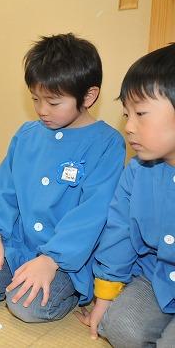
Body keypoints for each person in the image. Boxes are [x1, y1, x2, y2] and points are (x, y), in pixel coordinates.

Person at [0, 33, 126, 322]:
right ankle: (20, 274)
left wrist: (52, 260)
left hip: (66, 260)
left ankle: (68, 292)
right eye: (36, 99)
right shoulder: (27, 135)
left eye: (53, 102)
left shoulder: (107, 144)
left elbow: (93, 214)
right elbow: (4, 190)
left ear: (88, 96)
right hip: (18, 246)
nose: (41, 110)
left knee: (27, 306)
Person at [76, 43, 175, 347]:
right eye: (126, 114)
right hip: (156, 276)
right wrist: (105, 296)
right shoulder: (137, 170)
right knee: (117, 327)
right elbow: (119, 231)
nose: (129, 127)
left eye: (141, 113)